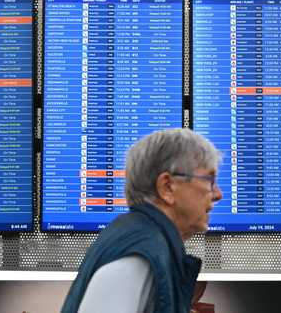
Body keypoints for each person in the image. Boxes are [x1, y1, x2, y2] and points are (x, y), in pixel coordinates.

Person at [61, 128, 223, 313]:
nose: (218, 194)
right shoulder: (141, 253)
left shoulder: (141, 239)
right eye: (209, 180)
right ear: (167, 187)